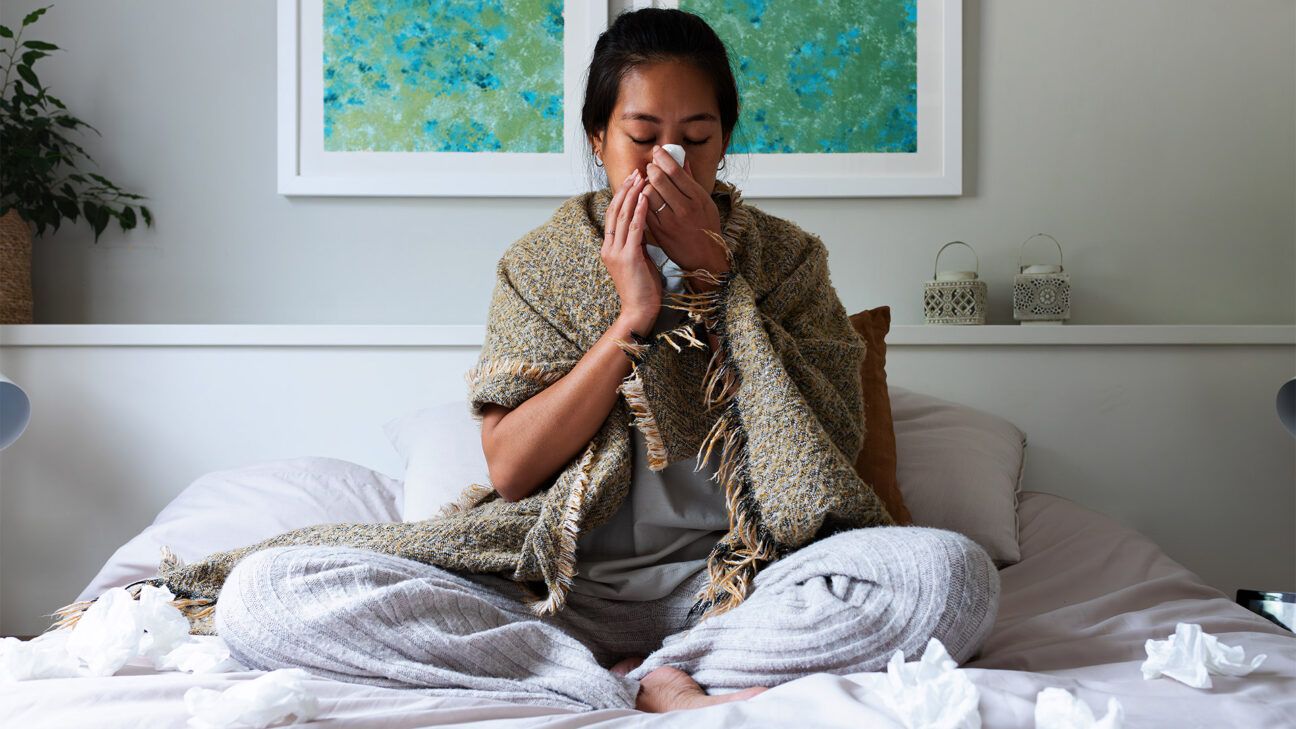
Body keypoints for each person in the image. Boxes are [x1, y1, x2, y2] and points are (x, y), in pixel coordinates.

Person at [213, 8, 1000, 715]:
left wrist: (718, 288)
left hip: (743, 585)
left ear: (725, 140)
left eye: (696, 138)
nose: (671, 162)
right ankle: (611, 677)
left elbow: (822, 451)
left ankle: (659, 669)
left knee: (950, 575)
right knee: (263, 595)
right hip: (557, 588)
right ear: (599, 139)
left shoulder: (787, 259)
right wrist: (633, 319)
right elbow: (513, 468)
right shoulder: (541, 266)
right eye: (644, 135)